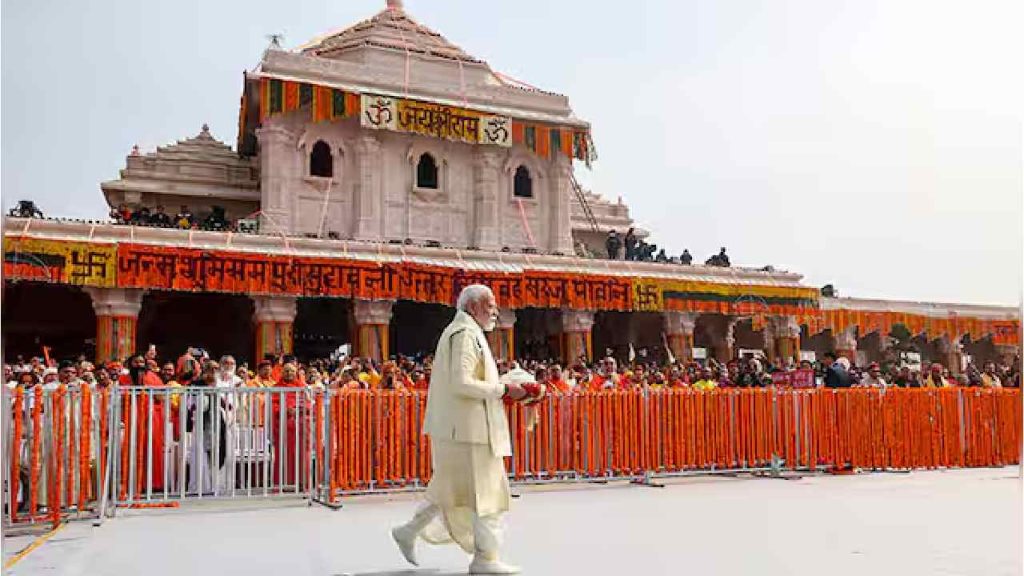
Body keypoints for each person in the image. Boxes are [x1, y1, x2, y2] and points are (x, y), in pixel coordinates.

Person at [392, 284, 527, 574]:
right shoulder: (465, 334)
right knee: (486, 493)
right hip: (469, 430)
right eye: (489, 305)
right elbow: (461, 383)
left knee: (449, 490)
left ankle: (408, 530)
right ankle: (485, 559)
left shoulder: (467, 333)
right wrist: (504, 389)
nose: (494, 310)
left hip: (464, 428)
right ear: (472, 306)